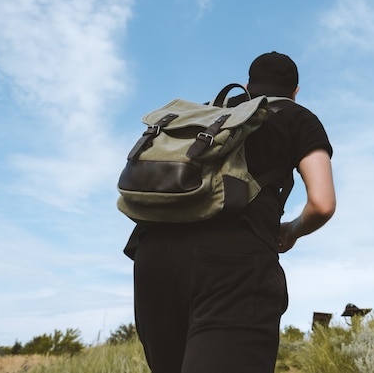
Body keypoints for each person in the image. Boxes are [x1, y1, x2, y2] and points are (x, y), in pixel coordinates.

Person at [123, 51, 336, 373]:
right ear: (295, 91)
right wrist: (292, 229)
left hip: (153, 255)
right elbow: (322, 203)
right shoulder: (298, 117)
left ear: (248, 85)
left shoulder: (207, 114)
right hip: (234, 261)